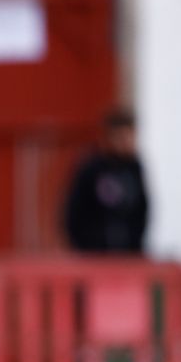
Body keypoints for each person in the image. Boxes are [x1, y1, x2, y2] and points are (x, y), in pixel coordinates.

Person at [62, 108, 150, 255]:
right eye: (122, 136)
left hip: (128, 256)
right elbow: (73, 213)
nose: (127, 142)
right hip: (94, 257)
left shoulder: (135, 167)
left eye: (131, 135)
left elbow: (142, 210)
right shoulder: (90, 167)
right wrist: (84, 248)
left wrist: (136, 249)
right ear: (109, 137)